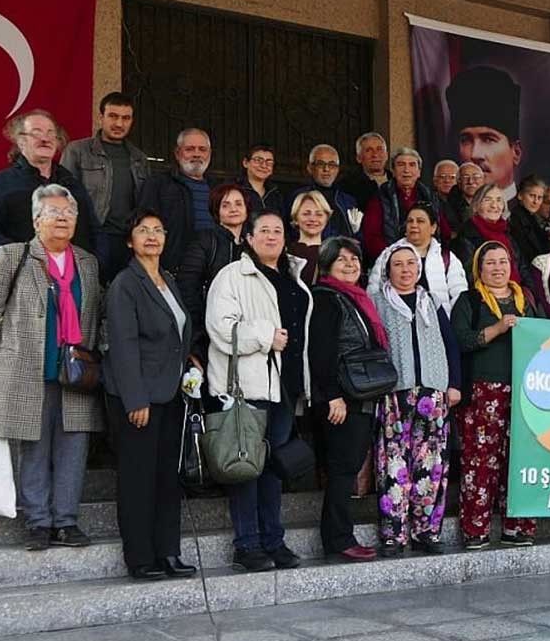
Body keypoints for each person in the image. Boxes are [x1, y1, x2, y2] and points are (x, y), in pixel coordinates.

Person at [0, 184, 102, 551]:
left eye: (69, 213)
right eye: (54, 212)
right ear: (35, 219)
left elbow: (98, 314)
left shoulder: (87, 262)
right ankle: (38, 521)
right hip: (25, 368)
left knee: (73, 448)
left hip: (76, 372)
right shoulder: (13, 256)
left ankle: (66, 521)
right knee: (33, 446)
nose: (62, 218)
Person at [205, 211, 311, 572]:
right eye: (263, 230)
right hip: (247, 386)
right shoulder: (233, 276)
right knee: (246, 466)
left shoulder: (292, 275)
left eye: (278, 231)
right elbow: (220, 328)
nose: (271, 236)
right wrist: (266, 337)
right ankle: (246, 545)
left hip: (283, 388)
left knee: (271, 469)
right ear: (247, 238)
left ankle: (273, 540)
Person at [103, 208, 196, 579]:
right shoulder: (126, 283)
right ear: (131, 240)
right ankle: (140, 557)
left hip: (170, 392)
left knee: (166, 479)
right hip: (138, 397)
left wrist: (190, 361)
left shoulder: (168, 281)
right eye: (143, 230)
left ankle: (168, 552)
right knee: (138, 479)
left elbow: (178, 331)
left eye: (158, 230)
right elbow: (123, 345)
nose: (152, 236)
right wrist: (135, 398)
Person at [369, 242, 462, 557]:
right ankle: (394, 533)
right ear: (388, 269)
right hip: (394, 392)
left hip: (433, 393)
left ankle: (426, 531)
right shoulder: (377, 302)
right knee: (393, 465)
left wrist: (454, 384)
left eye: (411, 263)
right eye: (398, 264)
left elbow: (450, 344)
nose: (406, 270)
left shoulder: (431, 301)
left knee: (431, 465)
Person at [451, 241, 540, 549]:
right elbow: (460, 340)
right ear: (479, 268)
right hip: (482, 391)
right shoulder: (470, 300)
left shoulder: (525, 300)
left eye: (503, 261)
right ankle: (476, 528)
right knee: (480, 461)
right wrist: (498, 329)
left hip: (525, 391)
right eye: (490, 263)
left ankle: (517, 527)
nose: (498, 268)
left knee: (520, 460)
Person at [308, 238, 382, 562]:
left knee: (348, 467)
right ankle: (338, 539)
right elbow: (321, 352)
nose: (350, 264)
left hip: (360, 396)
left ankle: (340, 535)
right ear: (327, 266)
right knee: (342, 469)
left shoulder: (356, 298)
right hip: (342, 399)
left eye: (354, 259)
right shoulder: (327, 297)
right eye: (342, 260)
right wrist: (332, 396)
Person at [0, 109, 98, 261]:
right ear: (20, 142)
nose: (45, 138)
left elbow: (95, 229)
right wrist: (19, 260)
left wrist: (96, 263)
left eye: (51, 133)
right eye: (36, 133)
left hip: (73, 277)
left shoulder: (72, 184)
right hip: (21, 277)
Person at [60, 92, 149, 281]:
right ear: (101, 117)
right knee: (88, 296)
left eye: (125, 118)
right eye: (113, 116)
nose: (119, 124)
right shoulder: (78, 151)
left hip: (128, 240)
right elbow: (62, 197)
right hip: (90, 238)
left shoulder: (139, 158)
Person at [177, 184, 249, 359]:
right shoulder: (206, 240)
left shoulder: (252, 245)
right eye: (226, 205)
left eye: (238, 204)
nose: (233, 209)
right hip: (209, 331)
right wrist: (199, 334)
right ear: (216, 211)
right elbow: (187, 287)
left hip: (245, 332)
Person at [138, 128, 219, 274]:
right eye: (189, 149)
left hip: (213, 268)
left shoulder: (219, 189)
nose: (197, 154)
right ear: (177, 153)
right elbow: (143, 227)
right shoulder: (158, 184)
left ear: (210, 154)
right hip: (172, 270)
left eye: (202, 149)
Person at [369, 203, 467, 311]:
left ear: (433, 228)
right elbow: (373, 293)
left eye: (420, 221)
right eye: (410, 221)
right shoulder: (388, 255)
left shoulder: (447, 258)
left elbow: (460, 297)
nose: (414, 225)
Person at [448, 65, 523, 202]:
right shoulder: (450, 210)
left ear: (516, 152)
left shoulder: (526, 213)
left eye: (488, 139)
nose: (475, 154)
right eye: (466, 140)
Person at [361, 147, 441, 262]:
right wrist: (394, 257)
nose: (406, 170)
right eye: (401, 164)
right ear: (393, 171)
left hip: (426, 259)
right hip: (391, 260)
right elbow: (371, 238)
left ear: (419, 172)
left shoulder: (430, 197)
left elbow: (440, 232)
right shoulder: (381, 197)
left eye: (412, 165)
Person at [452, 183, 530, 286]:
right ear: (476, 206)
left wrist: (528, 293)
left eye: (498, 200)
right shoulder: (466, 238)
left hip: (517, 294)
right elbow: (471, 278)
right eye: (487, 200)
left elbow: (523, 270)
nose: (494, 206)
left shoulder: (508, 233)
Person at [282, 144, 360, 240]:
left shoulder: (348, 201)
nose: (326, 169)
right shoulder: (298, 197)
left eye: (331, 165)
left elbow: (358, 236)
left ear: (337, 169)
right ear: (310, 168)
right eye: (320, 164)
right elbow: (288, 231)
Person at [285, 190, 331, 287]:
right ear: (296, 218)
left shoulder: (332, 253)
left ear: (326, 219)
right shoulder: (284, 252)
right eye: (306, 214)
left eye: (319, 214)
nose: (313, 219)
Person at [507, 175, 550, 265]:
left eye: (539, 197)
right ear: (520, 195)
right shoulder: (514, 221)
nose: (536, 201)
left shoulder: (535, 220)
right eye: (532, 196)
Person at [339, 131, 389, 208]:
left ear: (386, 155)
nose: (375, 155)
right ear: (359, 158)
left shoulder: (396, 181)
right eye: (369, 150)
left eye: (379, 149)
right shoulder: (347, 185)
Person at [236, 144, 286, 216]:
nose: (263, 165)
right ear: (245, 162)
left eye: (269, 162)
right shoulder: (234, 189)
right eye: (258, 160)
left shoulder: (276, 194)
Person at [444, 161, 484, 236]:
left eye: (475, 177)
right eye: (465, 177)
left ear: (483, 180)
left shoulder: (491, 202)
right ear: (459, 182)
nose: (471, 181)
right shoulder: (449, 207)